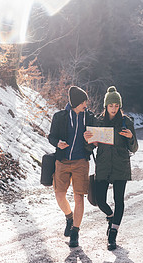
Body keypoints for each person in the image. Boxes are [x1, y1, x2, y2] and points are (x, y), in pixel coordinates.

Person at [84, 86, 138, 250]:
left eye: (116, 106)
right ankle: (110, 216)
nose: (113, 109)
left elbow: (134, 148)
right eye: (111, 106)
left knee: (119, 200)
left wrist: (130, 137)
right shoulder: (98, 121)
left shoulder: (126, 122)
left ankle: (113, 234)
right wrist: (89, 141)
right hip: (103, 165)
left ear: (119, 106)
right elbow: (89, 148)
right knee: (100, 200)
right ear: (105, 106)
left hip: (121, 165)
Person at [48, 86, 96, 247]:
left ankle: (75, 231)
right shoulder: (59, 117)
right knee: (59, 194)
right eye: (83, 102)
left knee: (78, 197)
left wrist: (91, 139)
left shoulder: (89, 118)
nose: (85, 105)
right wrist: (58, 143)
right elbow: (51, 137)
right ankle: (69, 217)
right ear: (76, 102)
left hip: (81, 161)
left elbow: (96, 140)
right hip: (62, 161)